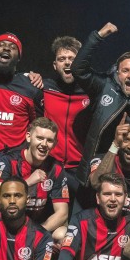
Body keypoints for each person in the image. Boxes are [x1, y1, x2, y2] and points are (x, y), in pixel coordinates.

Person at [72, 22, 130, 200]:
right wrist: (98, 36)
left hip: (128, 171)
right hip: (97, 164)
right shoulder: (104, 86)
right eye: (125, 71)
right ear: (117, 74)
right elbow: (78, 69)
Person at [0, 32, 43, 195]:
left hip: (15, 162)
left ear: (19, 57)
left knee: (13, 214)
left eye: (13, 47)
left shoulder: (30, 87)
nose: (6, 48)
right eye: (1, 45)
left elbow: (37, 127)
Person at [0, 118, 70, 233]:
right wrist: (27, 182)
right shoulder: (9, 161)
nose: (44, 144)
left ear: (55, 144)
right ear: (29, 137)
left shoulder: (56, 168)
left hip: (36, 228)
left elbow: (62, 213)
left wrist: (36, 234)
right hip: (5, 226)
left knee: (63, 233)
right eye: (39, 138)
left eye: (49, 140)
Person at [42, 36, 92, 202]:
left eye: (72, 58)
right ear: (55, 65)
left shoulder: (92, 93)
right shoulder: (44, 88)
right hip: (50, 167)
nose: (67, 63)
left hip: (80, 169)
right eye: (62, 59)